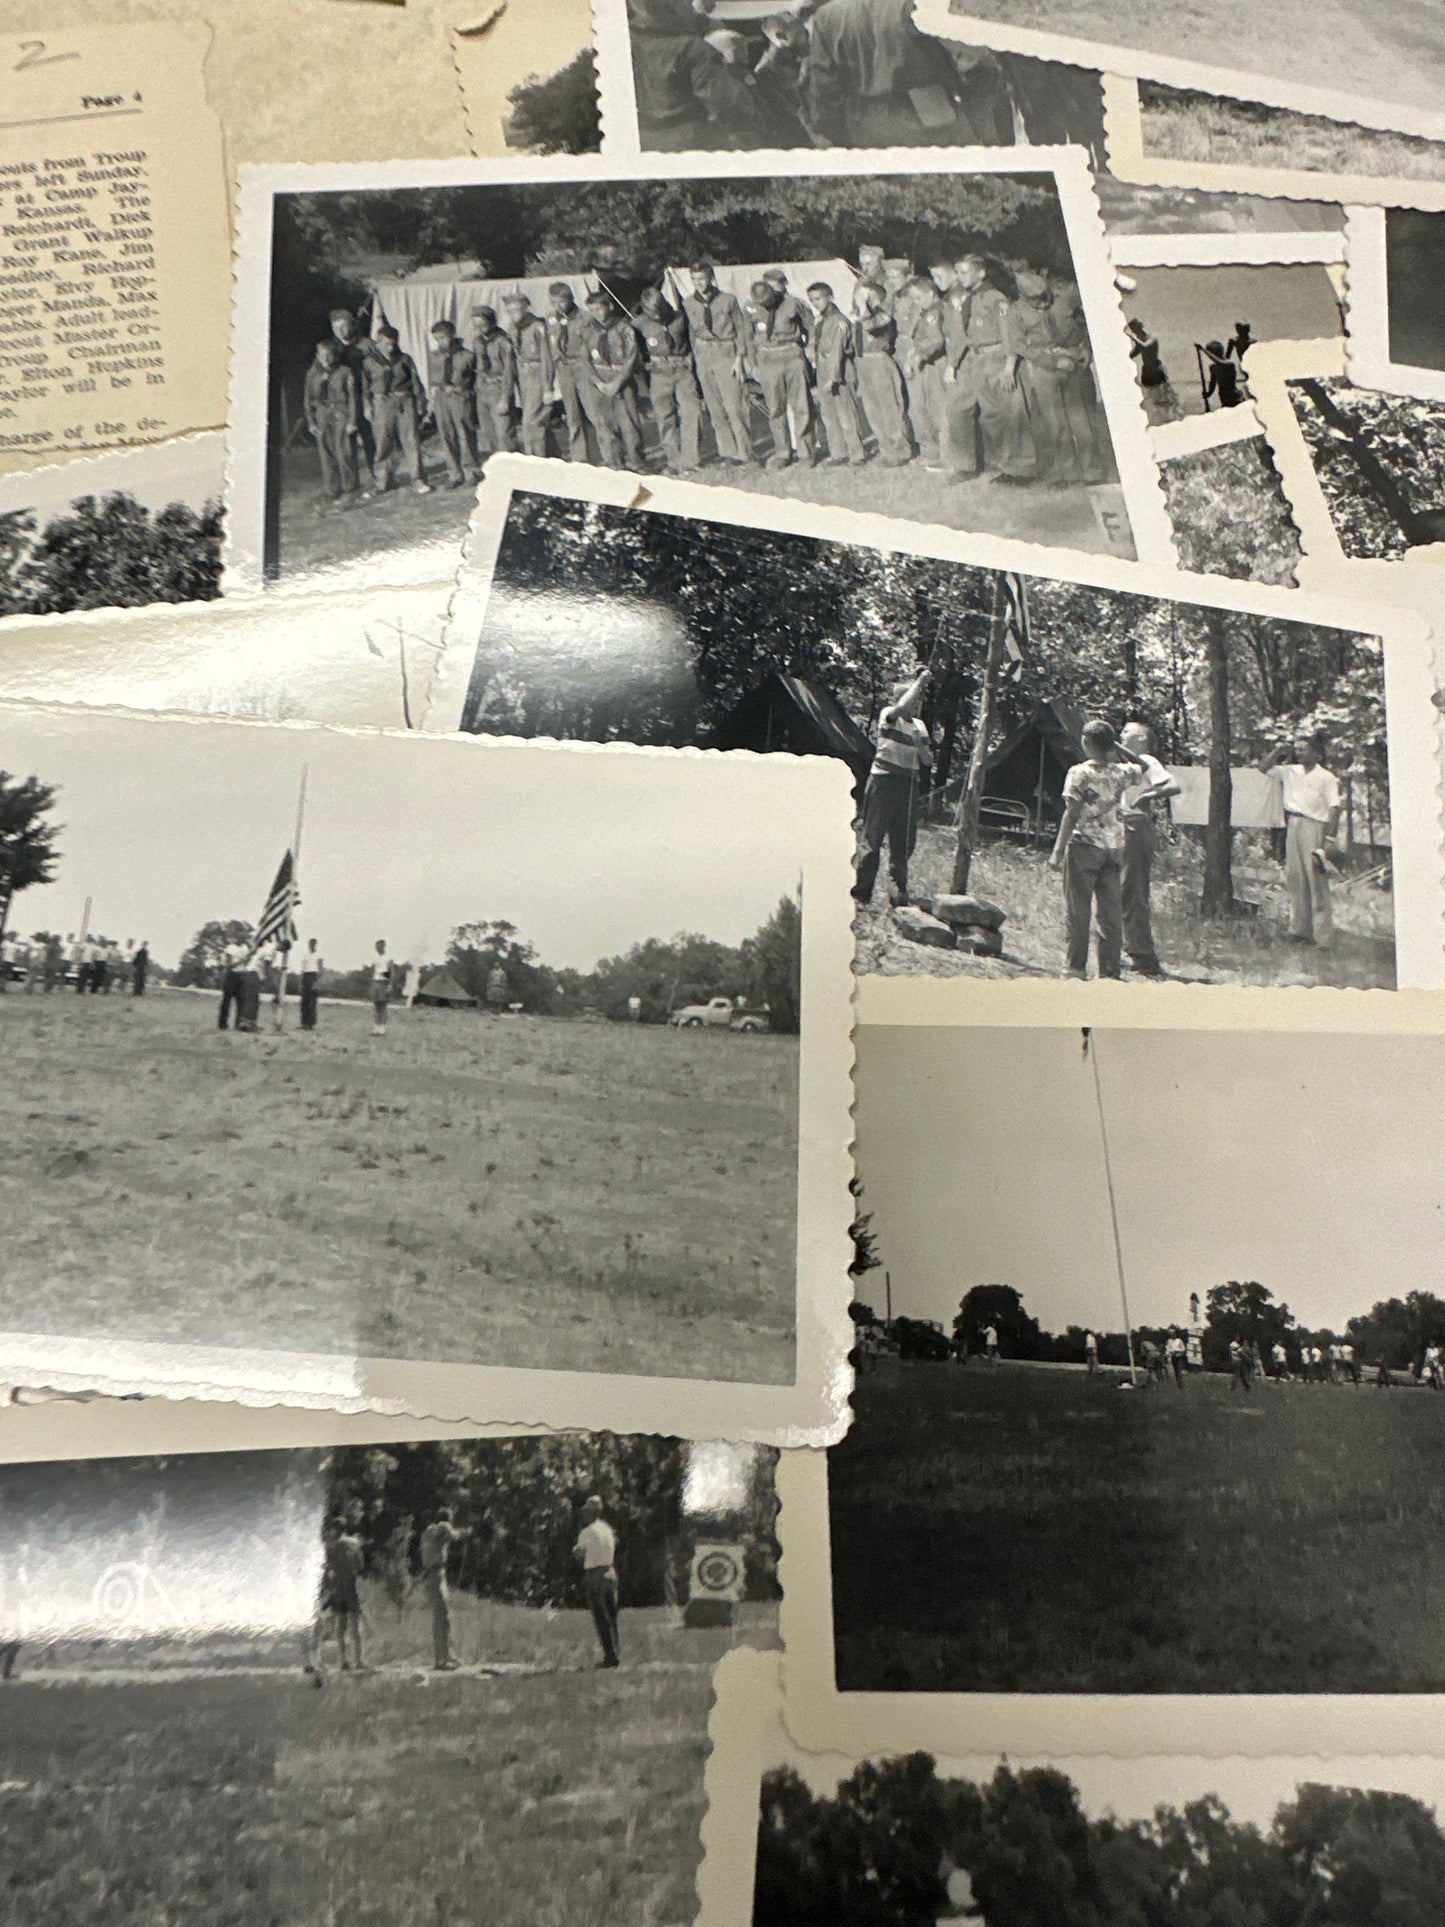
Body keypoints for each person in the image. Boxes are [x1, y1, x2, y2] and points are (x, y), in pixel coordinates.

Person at [1049, 719, 1150, 982]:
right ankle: (1109, 972)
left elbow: (1071, 814)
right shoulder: (1120, 772)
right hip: (1114, 847)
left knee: (1078, 910)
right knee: (1110, 914)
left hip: (1084, 845)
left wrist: (1057, 852)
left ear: (1085, 742)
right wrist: (1116, 745)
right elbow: (1144, 766)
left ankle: (1075, 969)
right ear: (1109, 744)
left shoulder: (1079, 773)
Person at [804, 0, 974, 146]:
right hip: (933, 117)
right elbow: (973, 64)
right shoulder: (917, 5)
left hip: (866, 126)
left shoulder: (827, 16)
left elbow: (823, 94)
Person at [627, 0, 771, 150]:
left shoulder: (623, 45)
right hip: (693, 144)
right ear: (672, 6)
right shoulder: (691, 49)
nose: (694, 9)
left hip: (643, 147)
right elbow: (730, 104)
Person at [942, 257, 1031, 487]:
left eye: (964, 272)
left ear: (980, 273)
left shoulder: (996, 299)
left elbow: (1009, 334)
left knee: (1005, 414)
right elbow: (961, 334)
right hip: (973, 359)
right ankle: (965, 465)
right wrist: (952, 364)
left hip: (996, 357)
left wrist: (1009, 368)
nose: (960, 277)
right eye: (958, 272)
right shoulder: (964, 299)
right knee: (958, 408)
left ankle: (1018, 469)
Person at [851, 666, 932, 907]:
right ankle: (861, 894)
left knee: (903, 844)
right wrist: (921, 681)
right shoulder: (890, 714)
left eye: (918, 701)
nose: (916, 705)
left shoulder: (920, 726)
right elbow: (901, 708)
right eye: (913, 699)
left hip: (908, 787)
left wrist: (919, 746)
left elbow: (928, 761)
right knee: (872, 840)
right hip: (883, 783)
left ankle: (898, 894)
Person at [1007, 271, 1094, 483]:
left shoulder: (1064, 297)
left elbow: (1087, 320)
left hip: (1072, 362)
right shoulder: (1015, 312)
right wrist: (1052, 362)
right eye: (1035, 299)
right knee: (1056, 422)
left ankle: (1092, 469)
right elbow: (1019, 345)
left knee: (1081, 418)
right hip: (1043, 368)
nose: (1042, 302)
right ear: (1023, 296)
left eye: (1044, 295)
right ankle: (1068, 471)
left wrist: (1086, 348)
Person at [1257, 734, 1343, 948]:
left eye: (1304, 749)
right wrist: (1278, 751)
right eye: (1298, 749)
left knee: (1316, 879)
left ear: (1316, 753)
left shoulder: (1326, 777)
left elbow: (1334, 808)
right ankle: (1299, 930)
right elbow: (1263, 768)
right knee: (1295, 878)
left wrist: (1329, 838)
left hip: (1315, 826)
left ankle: (1324, 938)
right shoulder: (1290, 771)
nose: (1300, 752)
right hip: (1293, 824)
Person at [1118, 721, 1181, 979]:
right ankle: (1129, 948)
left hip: (1138, 827)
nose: (1122, 734)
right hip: (1124, 826)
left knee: (1134, 891)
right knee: (1123, 890)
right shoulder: (1124, 761)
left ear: (1142, 738)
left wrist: (1146, 797)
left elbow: (1173, 785)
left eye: (1127, 731)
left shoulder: (1146, 759)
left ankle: (1143, 955)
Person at [683, 262, 754, 467]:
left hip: (726, 352)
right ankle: (728, 452)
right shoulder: (688, 303)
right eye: (694, 279)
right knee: (715, 407)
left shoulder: (728, 300)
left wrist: (739, 358)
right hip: (704, 354)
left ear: (711, 277)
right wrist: (695, 358)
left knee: (735, 405)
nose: (699, 283)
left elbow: (741, 330)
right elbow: (690, 332)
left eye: (702, 278)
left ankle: (746, 453)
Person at [743, 272, 813, 471]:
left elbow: (810, 324)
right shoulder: (750, 307)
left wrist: (810, 347)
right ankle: (782, 453)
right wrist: (753, 364)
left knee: (801, 406)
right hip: (767, 359)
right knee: (775, 409)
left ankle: (805, 453)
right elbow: (747, 337)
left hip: (791, 355)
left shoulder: (793, 304)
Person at [635, 284, 702, 474]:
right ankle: (673, 461)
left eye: (659, 310)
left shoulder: (680, 318)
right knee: (665, 417)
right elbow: (636, 351)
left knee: (692, 412)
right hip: (659, 374)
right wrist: (646, 366)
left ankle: (691, 460)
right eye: (652, 312)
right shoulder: (639, 324)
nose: (657, 315)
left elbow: (691, 342)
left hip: (682, 370)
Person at [365, 323, 432, 496]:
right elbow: (364, 387)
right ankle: (382, 481)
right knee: (383, 442)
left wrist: (420, 404)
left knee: (411, 440)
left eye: (394, 342)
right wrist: (367, 405)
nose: (391, 346)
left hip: (404, 400)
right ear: (378, 342)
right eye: (386, 343)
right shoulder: (369, 361)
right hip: (381, 403)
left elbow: (416, 383)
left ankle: (417, 478)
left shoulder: (404, 359)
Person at [852, 280, 913, 466]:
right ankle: (886, 449)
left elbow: (872, 327)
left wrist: (864, 305)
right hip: (864, 363)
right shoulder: (859, 315)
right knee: (872, 409)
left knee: (889, 408)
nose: (858, 298)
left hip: (879, 361)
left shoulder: (882, 315)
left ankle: (900, 451)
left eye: (864, 294)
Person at [546, 281, 607, 462]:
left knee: (595, 413)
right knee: (572, 417)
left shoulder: (585, 318)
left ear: (571, 299)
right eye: (554, 302)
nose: (559, 306)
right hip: (564, 370)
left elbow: (591, 345)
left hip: (582, 367)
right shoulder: (551, 319)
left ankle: (608, 456)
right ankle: (580, 459)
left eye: (562, 302)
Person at [584, 288, 646, 468]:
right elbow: (585, 360)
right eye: (592, 310)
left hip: (622, 381)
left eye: (599, 309)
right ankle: (614, 462)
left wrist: (617, 383)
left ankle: (636, 462)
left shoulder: (623, 328)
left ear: (610, 306)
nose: (596, 313)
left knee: (629, 423)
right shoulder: (589, 331)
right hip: (600, 381)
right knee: (605, 424)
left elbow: (631, 357)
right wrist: (598, 383)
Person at [807, 281, 866, 467]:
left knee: (846, 413)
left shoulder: (839, 320)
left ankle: (856, 454)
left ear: (830, 297)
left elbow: (837, 351)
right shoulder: (821, 320)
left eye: (818, 299)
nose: (815, 303)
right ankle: (838, 453)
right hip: (823, 368)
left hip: (840, 370)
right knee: (829, 414)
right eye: (812, 300)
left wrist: (833, 377)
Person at [328, 307, 383, 491]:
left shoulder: (367, 345)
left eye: (344, 326)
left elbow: (380, 367)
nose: (340, 331)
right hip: (344, 402)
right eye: (336, 328)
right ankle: (351, 484)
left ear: (352, 325)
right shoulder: (332, 348)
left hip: (365, 396)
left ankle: (379, 475)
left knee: (370, 438)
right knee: (346, 444)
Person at [304, 337, 361, 512]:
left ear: (335, 356)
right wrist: (311, 421)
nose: (326, 359)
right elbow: (308, 399)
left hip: (340, 413)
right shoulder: (312, 374)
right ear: (317, 355)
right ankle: (331, 490)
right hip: (322, 415)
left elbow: (353, 398)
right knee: (326, 453)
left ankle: (349, 488)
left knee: (343, 451)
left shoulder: (345, 372)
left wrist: (352, 420)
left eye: (330, 355)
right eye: (323, 355)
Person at [425, 318, 479, 489]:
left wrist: (462, 391)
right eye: (437, 338)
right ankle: (454, 473)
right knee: (446, 435)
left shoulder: (467, 356)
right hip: (442, 398)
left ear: (452, 335)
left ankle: (471, 471)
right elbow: (433, 380)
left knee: (465, 433)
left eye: (444, 337)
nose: (441, 341)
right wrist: (432, 402)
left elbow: (474, 381)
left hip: (460, 398)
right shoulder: (434, 356)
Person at [902, 275, 949, 469]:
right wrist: (912, 353)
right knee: (923, 408)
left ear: (930, 293)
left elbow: (937, 340)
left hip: (937, 363)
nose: (915, 302)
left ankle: (947, 456)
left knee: (940, 410)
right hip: (926, 363)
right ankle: (931, 452)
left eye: (918, 298)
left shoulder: (937, 311)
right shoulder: (926, 311)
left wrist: (919, 355)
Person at [501, 291, 554, 460]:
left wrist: (547, 387)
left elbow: (546, 358)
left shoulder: (538, 326)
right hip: (522, 377)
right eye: (509, 310)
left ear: (526, 307)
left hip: (537, 372)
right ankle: (553, 457)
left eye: (517, 309)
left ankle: (535, 460)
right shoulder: (512, 328)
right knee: (535, 418)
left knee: (531, 421)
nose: (513, 314)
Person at [573, 1496, 621, 1669]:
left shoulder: (586, 1532)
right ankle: (616, 1652)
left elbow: (579, 1555)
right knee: (612, 1615)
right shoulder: (608, 1528)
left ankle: (609, 1656)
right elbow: (616, 1543)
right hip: (610, 1572)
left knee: (600, 1617)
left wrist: (580, 1553)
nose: (584, 1514)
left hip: (595, 1574)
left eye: (586, 1511)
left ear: (592, 1512)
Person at [316, 1516, 367, 1674]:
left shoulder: (333, 1546)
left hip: (339, 1587)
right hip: (352, 1586)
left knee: (341, 1627)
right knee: (355, 1625)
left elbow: (328, 1567)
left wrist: (326, 1587)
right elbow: (360, 1565)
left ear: (335, 1530)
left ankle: (344, 1660)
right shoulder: (355, 1543)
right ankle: (358, 1659)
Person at [418, 1507, 464, 1670]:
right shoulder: (443, 1527)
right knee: (441, 1616)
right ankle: (441, 1660)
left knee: (442, 1617)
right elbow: (455, 1536)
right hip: (436, 1574)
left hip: (431, 1574)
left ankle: (446, 1654)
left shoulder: (428, 1531)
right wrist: (464, 1532)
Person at [470, 304, 517, 457]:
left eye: (483, 325)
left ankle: (511, 469)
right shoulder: (477, 342)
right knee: (487, 432)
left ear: (491, 322)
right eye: (476, 325)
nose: (480, 329)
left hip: (498, 388)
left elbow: (509, 371)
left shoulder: (502, 341)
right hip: (482, 389)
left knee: (503, 433)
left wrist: (505, 398)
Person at [1125, 317, 1178, 425]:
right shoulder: (1141, 343)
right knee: (1155, 398)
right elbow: (1132, 354)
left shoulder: (1151, 339)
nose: (1135, 333)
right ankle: (1163, 420)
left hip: (1155, 370)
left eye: (1135, 331)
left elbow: (1145, 346)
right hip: (1148, 372)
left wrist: (1133, 336)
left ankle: (1170, 418)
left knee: (1163, 396)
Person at [1200, 340, 1245, 409]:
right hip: (1224, 400)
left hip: (1236, 398)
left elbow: (1220, 362)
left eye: (1211, 353)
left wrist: (1203, 350)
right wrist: (1208, 393)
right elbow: (1213, 383)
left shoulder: (1229, 364)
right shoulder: (1213, 367)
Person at [217, 939, 246, 1030]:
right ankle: (223, 1023)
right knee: (227, 1000)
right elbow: (228, 964)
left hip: (242, 975)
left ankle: (238, 1024)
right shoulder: (231, 948)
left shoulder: (245, 948)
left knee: (241, 1001)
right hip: (232, 974)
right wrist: (240, 961)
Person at [369, 939, 393, 1036]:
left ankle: (382, 1028)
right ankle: (376, 1028)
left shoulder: (388, 957)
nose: (377, 949)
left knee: (383, 1005)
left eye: (379, 947)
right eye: (376, 947)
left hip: (384, 981)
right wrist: (372, 984)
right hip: (376, 982)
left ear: (383, 946)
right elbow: (373, 971)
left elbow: (391, 972)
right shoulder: (375, 958)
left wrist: (390, 984)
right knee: (376, 1005)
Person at [236, 949, 263, 1033]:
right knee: (251, 999)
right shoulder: (269, 950)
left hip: (253, 973)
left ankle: (250, 1022)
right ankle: (246, 1023)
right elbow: (266, 966)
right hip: (253, 973)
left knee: (254, 999)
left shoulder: (261, 951)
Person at [299, 937, 322, 1032]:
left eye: (313, 944)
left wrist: (317, 982)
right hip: (306, 976)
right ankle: (303, 1023)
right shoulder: (305, 955)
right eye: (310, 944)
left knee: (312, 1002)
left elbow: (320, 969)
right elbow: (302, 970)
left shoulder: (318, 955)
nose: (311, 946)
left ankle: (310, 1023)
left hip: (313, 976)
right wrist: (301, 982)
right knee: (304, 1001)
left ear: (315, 945)